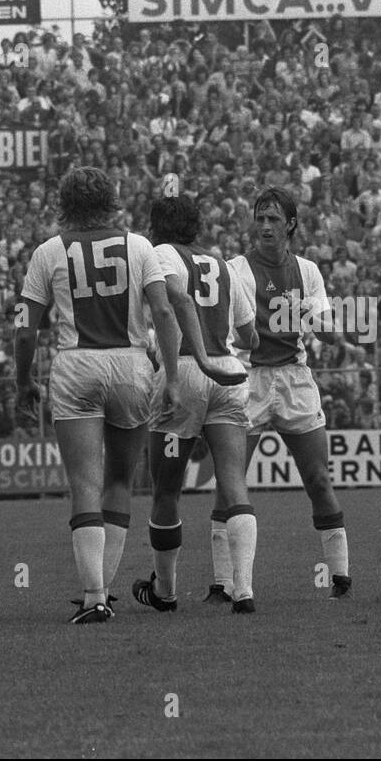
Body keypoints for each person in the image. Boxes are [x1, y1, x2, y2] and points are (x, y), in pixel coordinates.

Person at [14, 167, 242, 624]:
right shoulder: (139, 246)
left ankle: (95, 596)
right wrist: (176, 376)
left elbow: (24, 326)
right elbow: (166, 306)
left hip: (76, 365)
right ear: (111, 201)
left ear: (66, 203)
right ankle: (106, 590)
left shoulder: (48, 251)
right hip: (132, 366)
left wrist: (23, 381)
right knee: (120, 482)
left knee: (84, 485)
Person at [215, 186, 353, 602]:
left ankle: (342, 577)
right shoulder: (235, 269)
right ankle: (225, 584)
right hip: (248, 379)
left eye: (274, 219)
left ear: (291, 224)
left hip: (294, 378)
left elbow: (326, 327)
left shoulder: (307, 271)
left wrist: (333, 330)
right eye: (260, 218)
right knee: (230, 483)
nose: (265, 226)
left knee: (318, 478)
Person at [132, 194, 260, 614]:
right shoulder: (223, 265)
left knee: (167, 489)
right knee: (233, 483)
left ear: (156, 225)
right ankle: (244, 590)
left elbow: (172, 302)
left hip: (186, 372)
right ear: (197, 227)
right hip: (229, 375)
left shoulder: (160, 253)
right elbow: (249, 337)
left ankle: (165, 592)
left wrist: (178, 365)